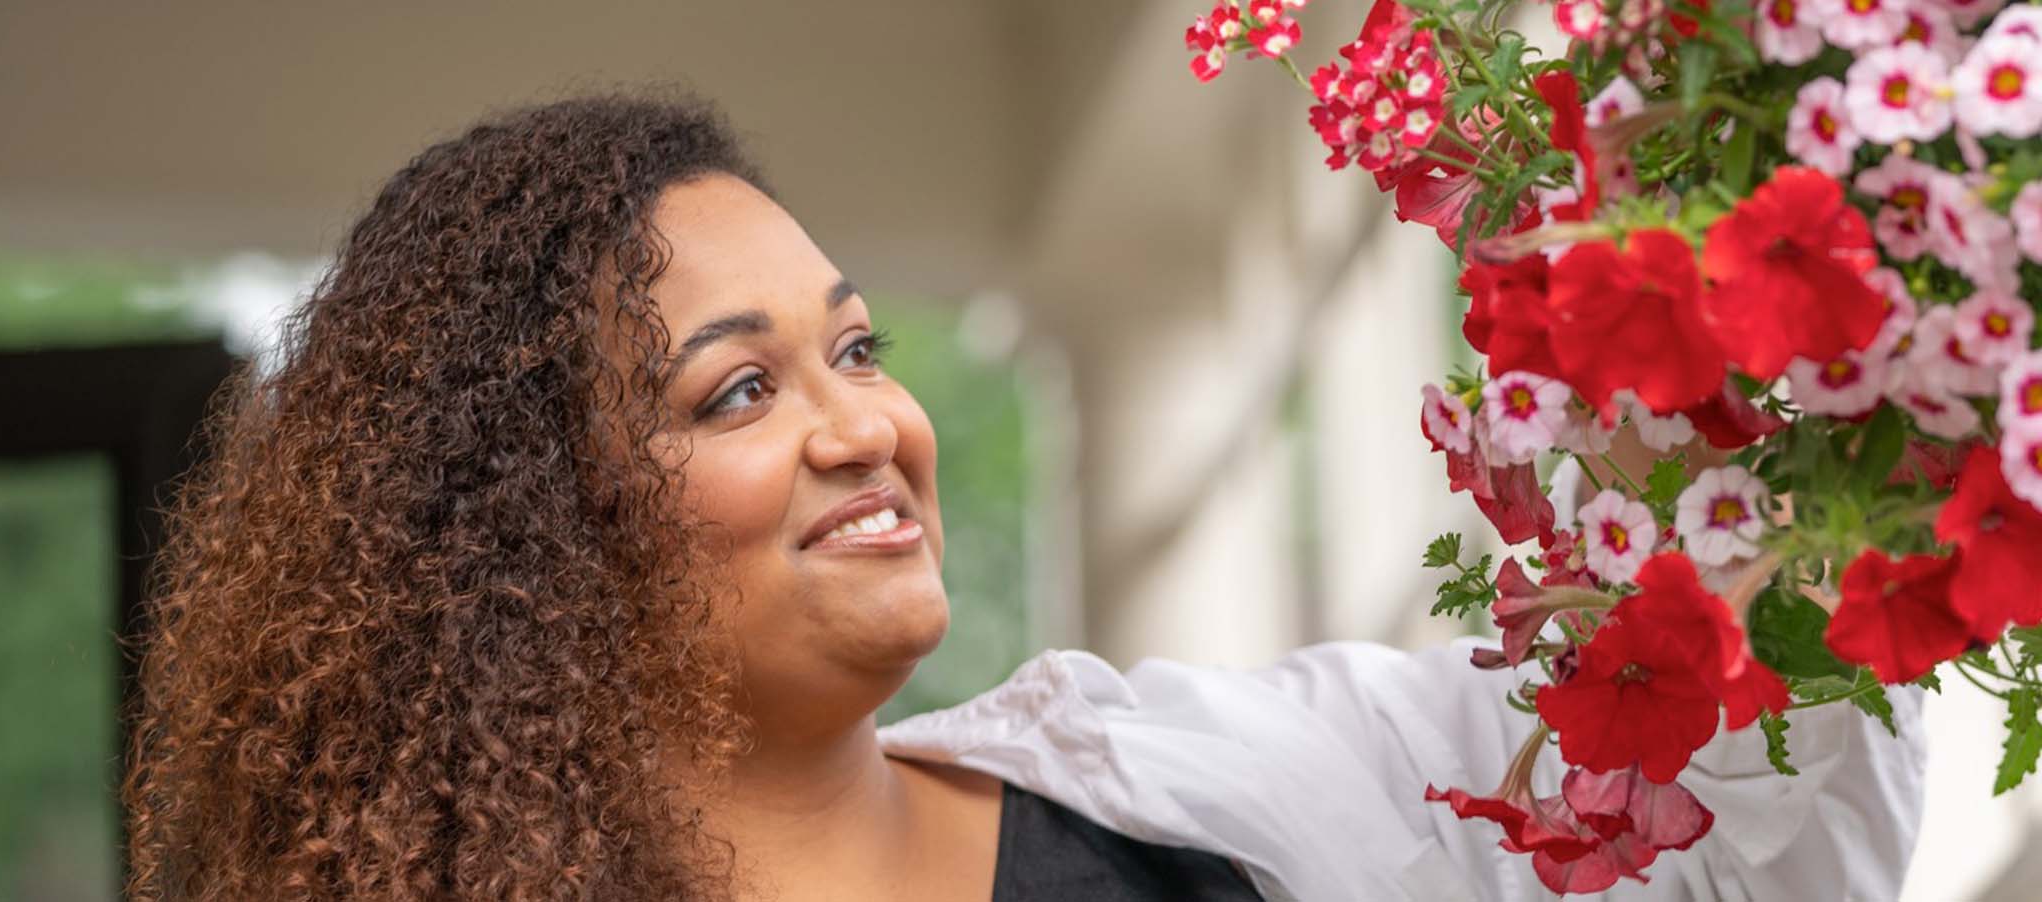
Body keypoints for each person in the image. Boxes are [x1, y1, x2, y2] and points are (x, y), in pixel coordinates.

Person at [121, 91, 1925, 902]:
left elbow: (1762, 842)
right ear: (528, 551)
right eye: (739, 387)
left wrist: (1799, 397)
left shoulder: (1228, 803)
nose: (869, 426)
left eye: (858, 346)